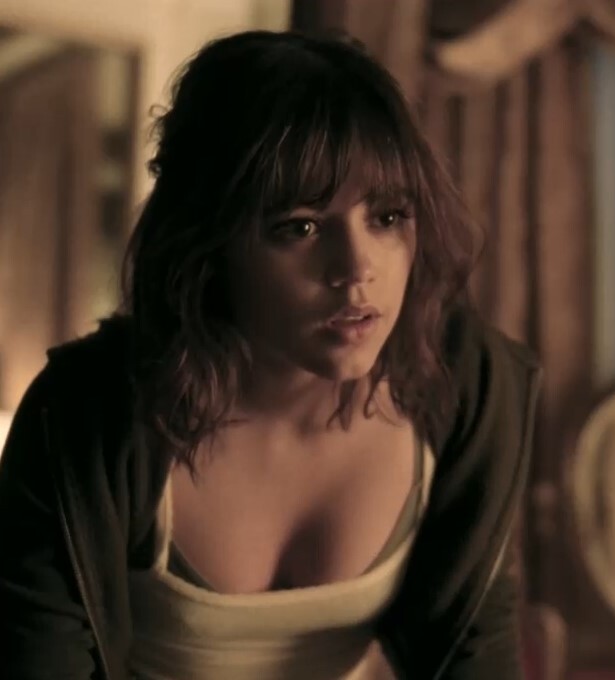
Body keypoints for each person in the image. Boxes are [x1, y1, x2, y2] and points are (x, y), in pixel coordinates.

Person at [0, 30, 541, 680]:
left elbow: (479, 654)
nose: (356, 269)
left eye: (388, 217)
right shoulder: (85, 415)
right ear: (210, 243)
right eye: (300, 227)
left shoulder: (461, 382)